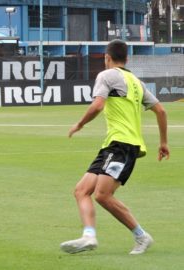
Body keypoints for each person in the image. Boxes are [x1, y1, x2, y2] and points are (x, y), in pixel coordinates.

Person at [60, 39, 169, 255]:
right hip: (113, 145)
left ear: (107, 58)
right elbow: (161, 111)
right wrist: (163, 142)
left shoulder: (106, 75)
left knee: (102, 195)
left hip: (122, 145)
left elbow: (98, 105)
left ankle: (141, 236)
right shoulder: (136, 82)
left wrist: (80, 124)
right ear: (127, 59)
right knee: (81, 191)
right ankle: (88, 236)